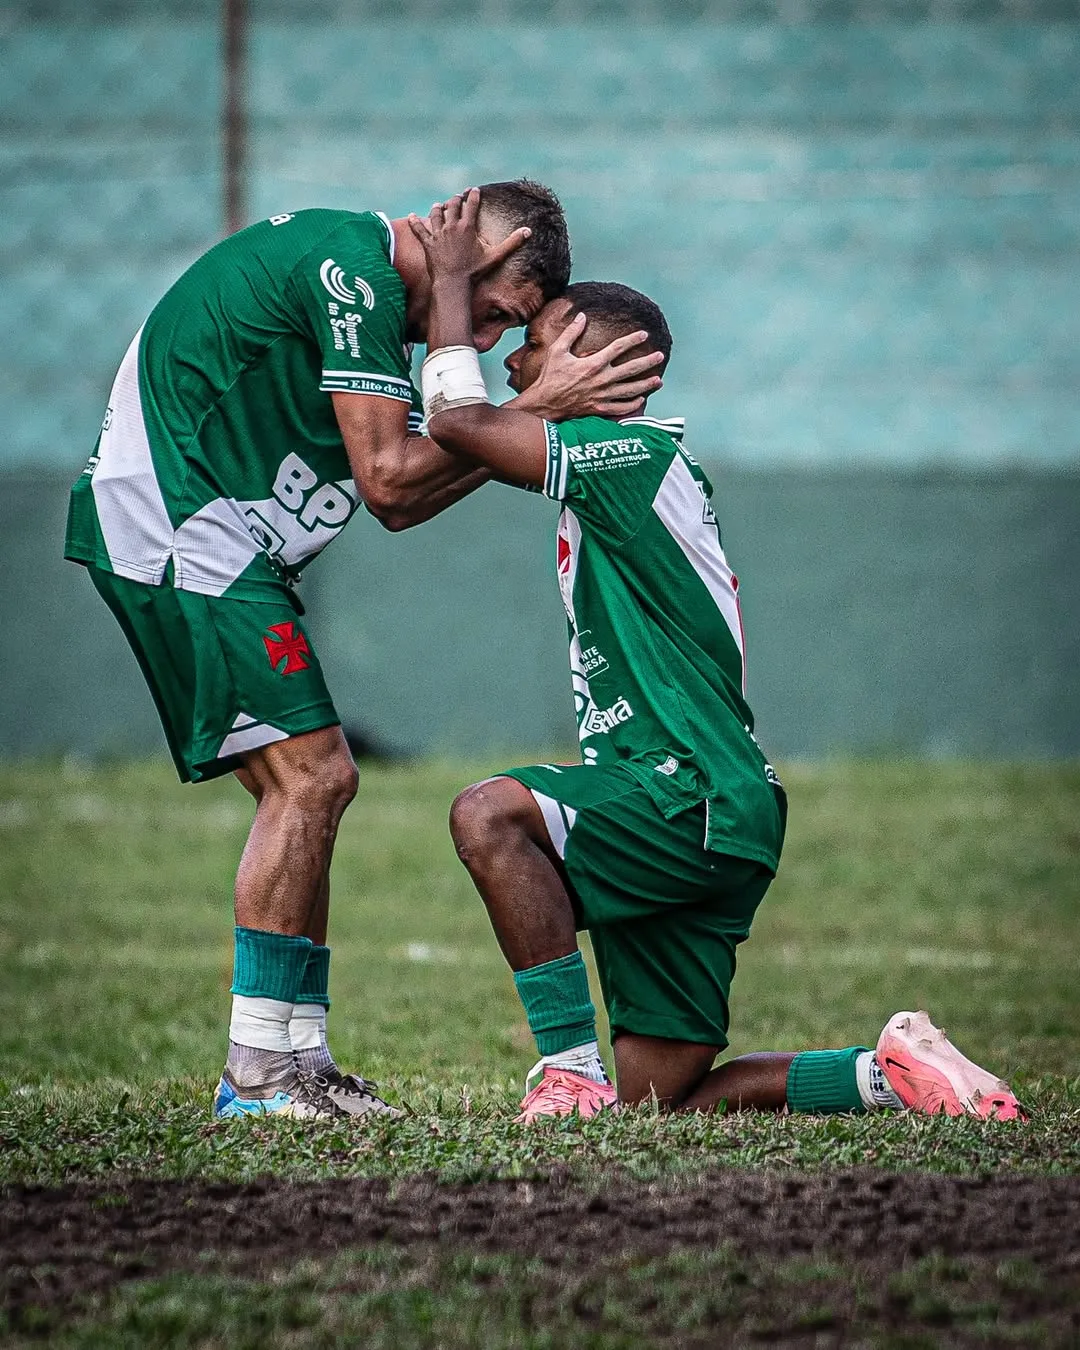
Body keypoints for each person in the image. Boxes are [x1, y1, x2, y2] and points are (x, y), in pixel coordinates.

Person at [410, 192, 1025, 1123]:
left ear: (595, 360)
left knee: (490, 817)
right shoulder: (629, 471)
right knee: (666, 1098)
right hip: (712, 804)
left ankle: (566, 1074)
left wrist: (451, 283)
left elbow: (458, 425)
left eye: (533, 341)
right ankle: (886, 1071)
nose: (512, 357)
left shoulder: (624, 456)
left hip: (684, 789)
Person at [64, 181, 661, 1121]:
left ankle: (298, 1059)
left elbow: (406, 501)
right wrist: (538, 404)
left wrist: (519, 419)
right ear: (483, 255)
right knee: (314, 778)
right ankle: (258, 1074)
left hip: (220, 539)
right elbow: (388, 482)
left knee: (307, 785)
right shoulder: (357, 272)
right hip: (185, 530)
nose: (492, 341)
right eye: (499, 313)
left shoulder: (365, 286)